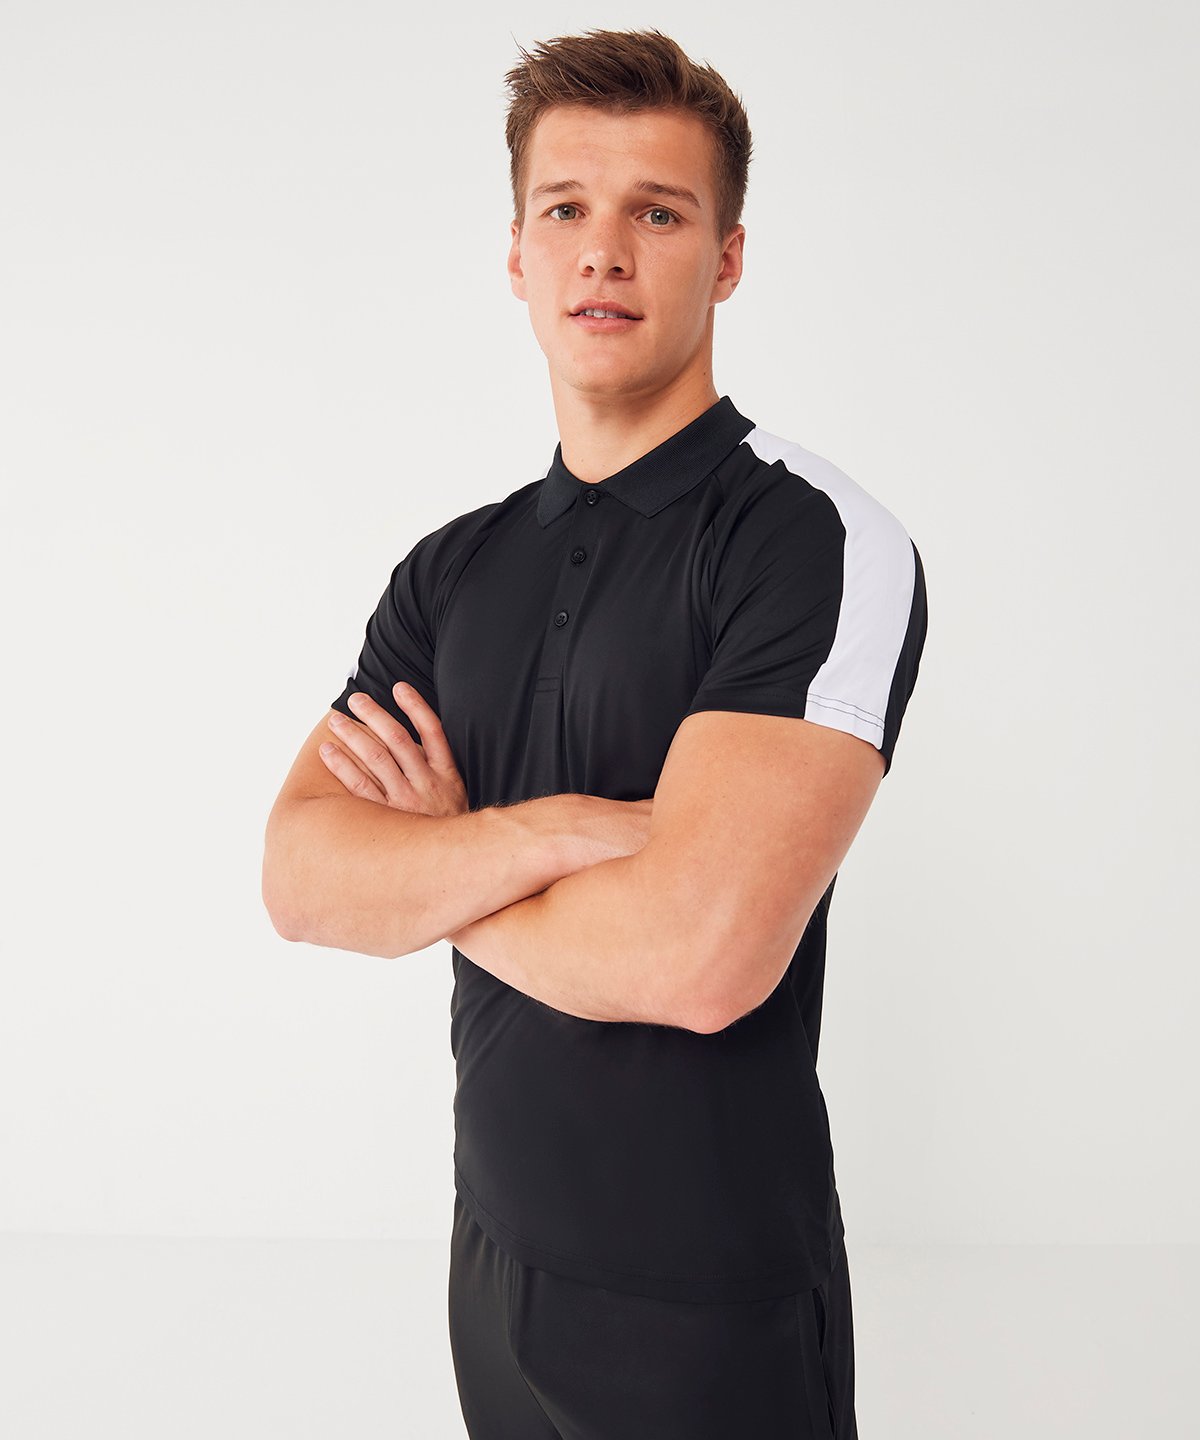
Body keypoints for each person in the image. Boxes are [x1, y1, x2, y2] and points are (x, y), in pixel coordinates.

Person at [262, 26, 927, 1440]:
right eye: (565, 208)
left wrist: (436, 868)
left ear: (728, 258)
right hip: (492, 1264)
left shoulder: (808, 541)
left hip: (714, 1307)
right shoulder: (451, 570)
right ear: (517, 254)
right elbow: (305, 881)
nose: (604, 252)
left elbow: (701, 960)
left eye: (658, 214)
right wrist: (558, 833)